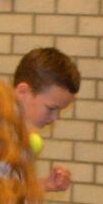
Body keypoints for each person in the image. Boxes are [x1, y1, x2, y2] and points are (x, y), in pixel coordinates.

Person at [12, 46, 80, 193]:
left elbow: (11, 189)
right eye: (51, 108)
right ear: (23, 92)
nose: (55, 118)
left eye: (60, 110)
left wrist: (46, 184)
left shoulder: (19, 137)